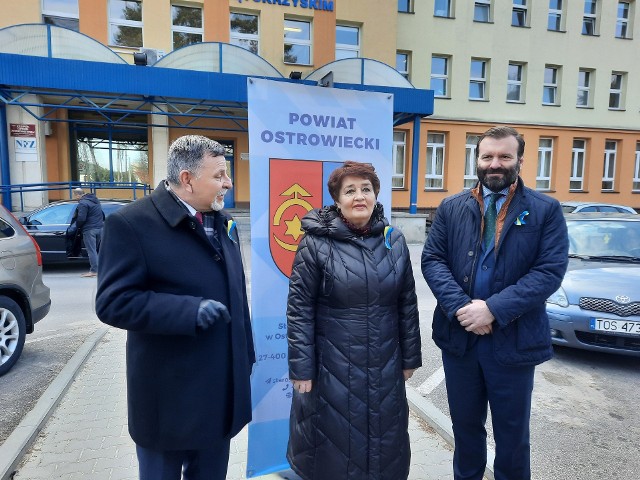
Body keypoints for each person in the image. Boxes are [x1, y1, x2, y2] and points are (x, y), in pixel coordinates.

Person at [95, 135, 255, 480]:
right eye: (219, 176)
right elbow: (113, 302)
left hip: (218, 395)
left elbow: (237, 297)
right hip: (167, 400)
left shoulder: (222, 220)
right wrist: (188, 311)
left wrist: (246, 357)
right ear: (187, 179)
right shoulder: (130, 224)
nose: (228, 183)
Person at [421, 126, 569, 480]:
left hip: (514, 342)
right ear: (477, 159)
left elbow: (549, 271)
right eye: (487, 156)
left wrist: (492, 309)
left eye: (504, 156)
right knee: (466, 432)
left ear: (520, 159)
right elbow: (432, 260)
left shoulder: (545, 210)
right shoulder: (451, 207)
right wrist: (464, 308)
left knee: (513, 438)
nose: (495, 164)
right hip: (461, 339)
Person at [286, 161, 422, 480]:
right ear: (337, 200)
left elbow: (407, 303)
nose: (359, 196)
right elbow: (299, 308)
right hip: (333, 367)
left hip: (385, 365)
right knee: (334, 450)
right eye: (350, 191)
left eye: (366, 189)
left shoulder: (394, 240)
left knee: (383, 448)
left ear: (375, 194)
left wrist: (410, 358)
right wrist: (301, 368)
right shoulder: (314, 243)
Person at [73, 187, 103, 277]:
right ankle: (100, 270)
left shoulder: (83, 203)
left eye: (75, 196)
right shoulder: (95, 201)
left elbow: (81, 218)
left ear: (78, 194)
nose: (75, 198)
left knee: (92, 251)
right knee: (98, 250)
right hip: (100, 228)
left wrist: (77, 226)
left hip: (90, 230)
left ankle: (94, 271)